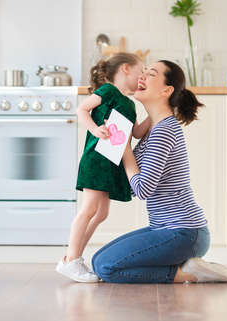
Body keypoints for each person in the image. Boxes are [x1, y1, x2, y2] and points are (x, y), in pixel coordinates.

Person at [91, 60, 227, 283]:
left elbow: (142, 189)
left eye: (151, 74)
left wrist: (125, 148)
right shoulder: (154, 128)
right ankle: (184, 264)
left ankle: (188, 274)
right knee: (98, 260)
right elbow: (132, 183)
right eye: (144, 72)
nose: (142, 76)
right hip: (166, 228)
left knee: (105, 267)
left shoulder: (164, 131)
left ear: (166, 90)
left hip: (183, 232)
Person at [56, 53, 151, 283]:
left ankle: (72, 256)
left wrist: (155, 113)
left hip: (112, 164)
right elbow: (82, 110)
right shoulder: (107, 91)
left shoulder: (130, 103)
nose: (144, 76)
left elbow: (136, 133)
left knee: (102, 213)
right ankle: (72, 261)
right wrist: (95, 129)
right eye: (142, 70)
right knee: (89, 209)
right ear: (126, 69)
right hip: (97, 160)